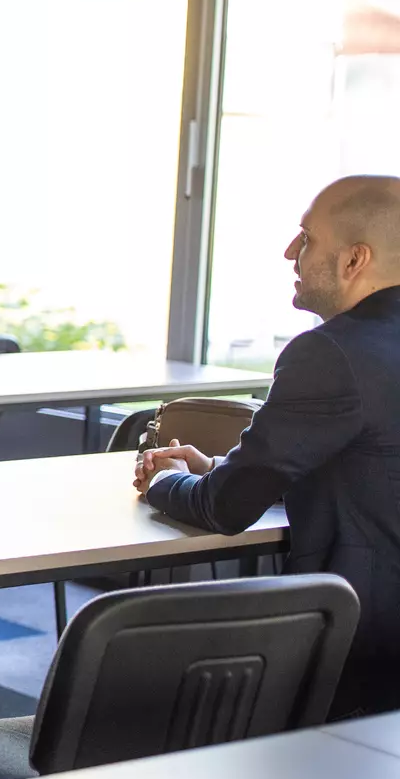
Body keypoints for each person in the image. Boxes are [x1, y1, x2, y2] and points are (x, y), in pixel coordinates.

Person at [136, 173, 400, 718]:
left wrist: (166, 482)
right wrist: (216, 468)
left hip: (359, 653)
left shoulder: (330, 354)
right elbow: (373, 470)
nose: (290, 252)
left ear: (354, 261)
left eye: (306, 238)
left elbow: (225, 506)